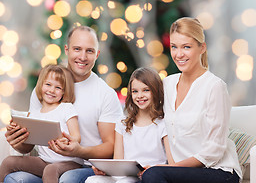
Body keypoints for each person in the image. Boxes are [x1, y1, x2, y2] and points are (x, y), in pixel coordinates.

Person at [4, 26, 123, 183]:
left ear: (97, 55)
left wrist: (80, 151)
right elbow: (30, 143)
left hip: (87, 166)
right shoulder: (45, 89)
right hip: (47, 164)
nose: (82, 56)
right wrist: (19, 141)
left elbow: (111, 147)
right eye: (77, 49)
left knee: (67, 179)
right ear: (66, 50)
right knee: (15, 178)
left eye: (89, 51)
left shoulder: (105, 94)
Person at [141, 17, 242, 183]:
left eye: (186, 47)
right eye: (174, 47)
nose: (179, 54)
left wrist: (169, 169)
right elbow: (147, 123)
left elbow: (214, 151)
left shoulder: (215, 87)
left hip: (219, 172)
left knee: (154, 175)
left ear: (202, 48)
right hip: (181, 172)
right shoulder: (167, 84)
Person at [85, 67, 174, 183]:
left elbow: (172, 164)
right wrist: (104, 170)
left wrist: (152, 170)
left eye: (146, 90)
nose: (140, 95)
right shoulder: (122, 123)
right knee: (92, 180)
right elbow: (118, 160)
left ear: (155, 91)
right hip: (125, 175)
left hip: (150, 176)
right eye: (135, 91)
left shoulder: (163, 123)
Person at [0, 64, 83, 183]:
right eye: (48, 84)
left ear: (64, 92)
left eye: (58, 87)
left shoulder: (66, 108)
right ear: (41, 85)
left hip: (69, 162)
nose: (51, 90)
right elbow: (28, 145)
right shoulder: (34, 114)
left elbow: (77, 137)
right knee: (9, 161)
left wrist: (69, 141)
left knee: (50, 170)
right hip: (45, 161)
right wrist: (16, 132)